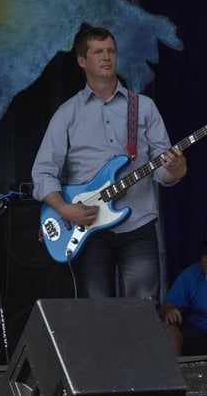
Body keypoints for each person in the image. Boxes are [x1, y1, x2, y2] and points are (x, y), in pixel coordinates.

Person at [31, 25, 187, 299]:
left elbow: (163, 171)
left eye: (111, 51)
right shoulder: (67, 114)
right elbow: (43, 172)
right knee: (98, 316)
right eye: (98, 52)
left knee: (143, 311)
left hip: (138, 224)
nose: (107, 57)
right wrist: (65, 210)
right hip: (88, 228)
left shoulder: (144, 107)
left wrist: (177, 170)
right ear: (82, 61)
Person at [161, 239, 207, 356]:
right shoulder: (192, 274)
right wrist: (170, 310)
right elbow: (167, 305)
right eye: (204, 255)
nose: (205, 260)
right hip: (198, 337)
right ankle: (175, 373)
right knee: (168, 325)